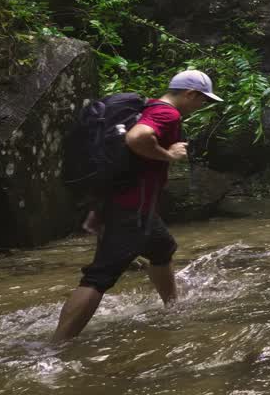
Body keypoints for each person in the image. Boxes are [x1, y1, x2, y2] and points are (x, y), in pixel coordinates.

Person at [50, 70, 222, 344]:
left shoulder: (149, 106)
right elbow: (137, 138)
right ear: (190, 94)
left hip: (125, 203)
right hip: (132, 208)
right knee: (100, 276)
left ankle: (172, 308)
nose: (202, 106)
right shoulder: (168, 114)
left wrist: (99, 208)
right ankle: (55, 346)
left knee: (162, 248)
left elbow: (122, 161)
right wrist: (169, 155)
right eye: (202, 100)